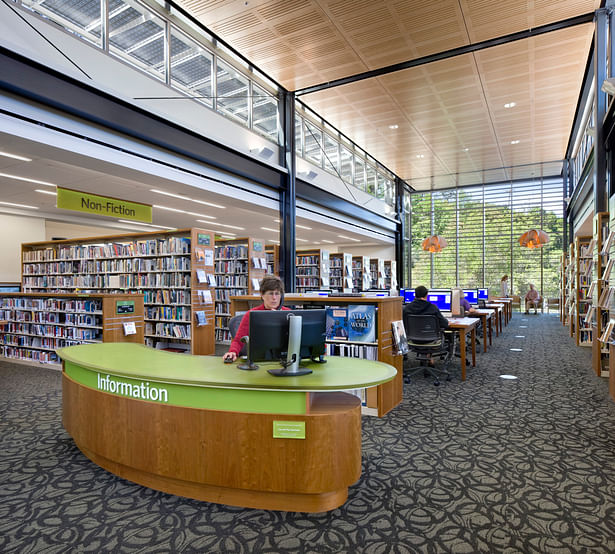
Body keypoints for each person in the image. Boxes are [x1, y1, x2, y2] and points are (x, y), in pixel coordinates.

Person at [223, 275, 290, 362]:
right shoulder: (251, 314)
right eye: (270, 293)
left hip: (284, 359)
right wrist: (233, 352)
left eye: (277, 294)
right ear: (262, 295)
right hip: (259, 360)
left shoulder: (288, 314)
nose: (274, 298)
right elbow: (238, 340)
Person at [403, 285, 452, 365]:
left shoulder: (407, 308)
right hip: (431, 340)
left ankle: (428, 357)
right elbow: (445, 324)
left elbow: (404, 325)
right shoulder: (433, 308)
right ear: (426, 295)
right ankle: (429, 357)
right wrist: (447, 322)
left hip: (412, 339)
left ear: (415, 295)